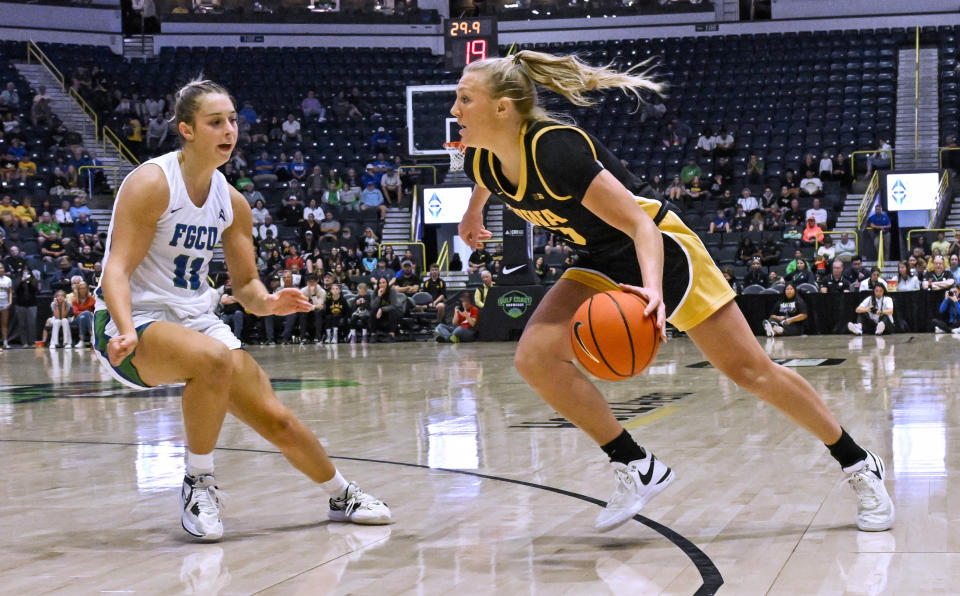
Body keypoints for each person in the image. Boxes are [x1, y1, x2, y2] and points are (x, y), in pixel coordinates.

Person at [452, 51, 892, 533]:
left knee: (750, 371)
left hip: (663, 248)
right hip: (599, 257)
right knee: (534, 357)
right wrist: (473, 215)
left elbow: (641, 226)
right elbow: (484, 179)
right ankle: (636, 464)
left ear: (502, 109)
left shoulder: (556, 150)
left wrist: (654, 293)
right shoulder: (483, 160)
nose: (455, 109)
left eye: (464, 98)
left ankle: (858, 462)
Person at [93, 79, 390, 541]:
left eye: (232, 120)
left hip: (195, 318)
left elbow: (246, 285)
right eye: (216, 122)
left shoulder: (231, 201)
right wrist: (127, 329)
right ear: (187, 130)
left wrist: (268, 302)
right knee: (213, 358)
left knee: (276, 418)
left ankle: (342, 493)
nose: (230, 129)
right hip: (132, 320)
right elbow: (116, 268)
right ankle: (198, 481)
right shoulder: (152, 182)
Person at [72, 280, 95, 348]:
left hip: (89, 319)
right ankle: (92, 336)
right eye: (81, 288)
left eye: (84, 288)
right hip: (77, 319)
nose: (83, 290)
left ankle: (81, 340)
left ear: (87, 289)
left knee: (84, 317)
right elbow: (75, 312)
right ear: (78, 290)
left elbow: (95, 309)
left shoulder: (91, 299)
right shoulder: (75, 300)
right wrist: (87, 312)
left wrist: (89, 314)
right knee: (86, 314)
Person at [0, 262, 10, 349]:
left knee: (4, 324)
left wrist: (10, 301)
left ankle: (5, 342)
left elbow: (10, 292)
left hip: (4, 303)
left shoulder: (8, 279)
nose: (1, 269)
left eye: (2, 268)